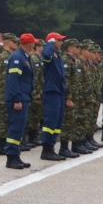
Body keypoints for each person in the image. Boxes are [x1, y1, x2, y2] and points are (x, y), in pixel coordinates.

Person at [3, 34, 35, 170]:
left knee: (19, 129)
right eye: (32, 43)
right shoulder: (17, 57)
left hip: (23, 97)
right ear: (28, 43)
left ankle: (16, 156)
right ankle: (11, 158)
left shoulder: (24, 56)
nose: (34, 46)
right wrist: (16, 99)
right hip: (18, 98)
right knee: (15, 129)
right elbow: (13, 80)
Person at [40, 32, 68, 161]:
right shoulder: (49, 52)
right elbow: (45, 55)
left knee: (57, 121)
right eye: (59, 40)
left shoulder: (57, 55)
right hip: (51, 91)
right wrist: (50, 43)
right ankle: (46, 150)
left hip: (59, 91)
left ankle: (52, 148)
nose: (61, 42)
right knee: (50, 121)